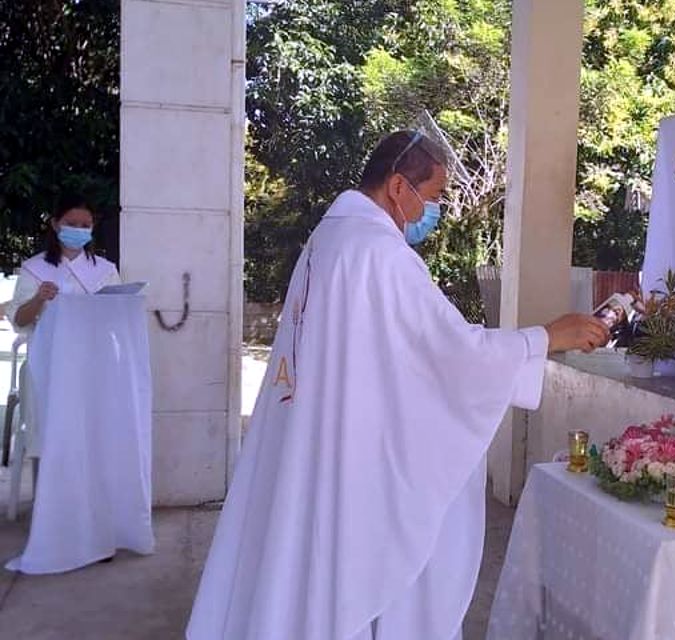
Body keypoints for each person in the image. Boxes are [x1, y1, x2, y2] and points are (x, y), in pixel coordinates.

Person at [186, 131, 608, 640]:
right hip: (354, 451)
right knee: (363, 556)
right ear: (397, 186)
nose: (431, 212)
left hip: (320, 435)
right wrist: (547, 335)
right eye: (430, 198)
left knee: (309, 552)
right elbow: (452, 353)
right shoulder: (379, 254)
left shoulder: (329, 240)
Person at [9, 193, 120, 335]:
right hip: (49, 352)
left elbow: (117, 319)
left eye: (85, 225)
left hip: (93, 352)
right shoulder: (34, 268)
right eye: (71, 224)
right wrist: (38, 299)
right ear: (55, 224)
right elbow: (19, 321)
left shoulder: (106, 271)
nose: (78, 230)